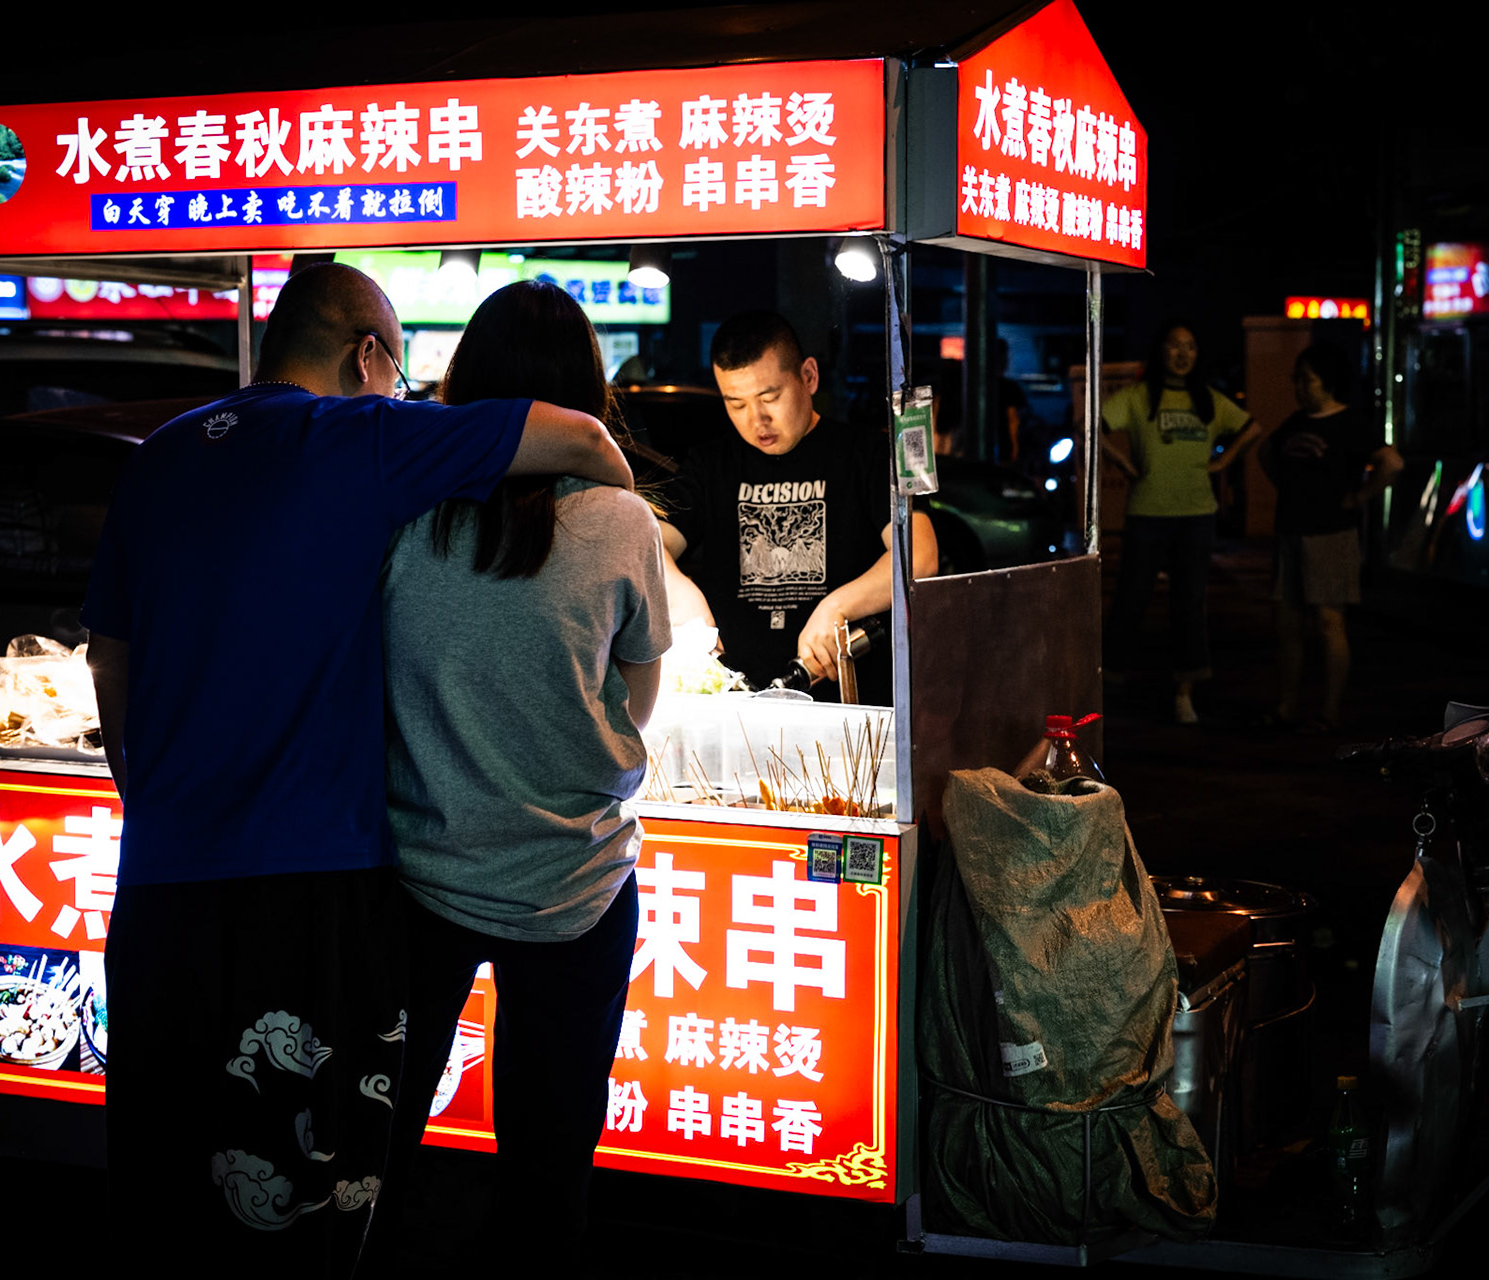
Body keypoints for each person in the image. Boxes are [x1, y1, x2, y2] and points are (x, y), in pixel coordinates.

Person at [81, 263, 633, 1272]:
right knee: (297, 1164)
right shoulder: (357, 437)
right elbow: (586, 440)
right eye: (399, 372)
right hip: (309, 877)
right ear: (367, 355)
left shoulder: (160, 455)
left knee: (164, 1151)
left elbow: (109, 660)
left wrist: (150, 795)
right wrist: (619, 532)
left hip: (162, 875)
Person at [369, 281, 669, 1267]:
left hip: (419, 873)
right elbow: (638, 698)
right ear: (587, 389)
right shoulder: (621, 519)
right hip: (575, 879)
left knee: (380, 1128)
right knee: (549, 1154)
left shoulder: (406, 510)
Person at [658, 310, 937, 702]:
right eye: (736, 404)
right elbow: (648, 546)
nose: (757, 420)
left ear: (808, 376)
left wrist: (838, 605)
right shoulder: (709, 465)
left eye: (770, 397)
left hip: (847, 703)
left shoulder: (867, 454)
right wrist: (683, 597)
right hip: (739, 701)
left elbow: (919, 554)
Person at [1102, 322, 1258, 724]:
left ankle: (1184, 691)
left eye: (1190, 346)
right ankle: (1107, 684)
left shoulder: (1208, 399)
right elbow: (1091, 426)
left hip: (1196, 515)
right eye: (1174, 346)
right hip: (1147, 513)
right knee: (1130, 600)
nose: (1183, 353)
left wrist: (1223, 462)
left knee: (1188, 604)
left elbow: (1252, 428)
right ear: (1161, 351)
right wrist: (1122, 462)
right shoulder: (1138, 396)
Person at [1258, 343, 1403, 731]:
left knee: (1328, 621)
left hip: (1331, 534)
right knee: (1287, 623)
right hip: (1291, 530)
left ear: (1328, 382)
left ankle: (1329, 711)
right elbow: (1266, 452)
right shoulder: (1296, 422)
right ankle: (1287, 706)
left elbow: (1391, 463)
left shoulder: (1350, 422)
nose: (1299, 387)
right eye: (1297, 380)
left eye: (1307, 380)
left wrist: (1359, 496)